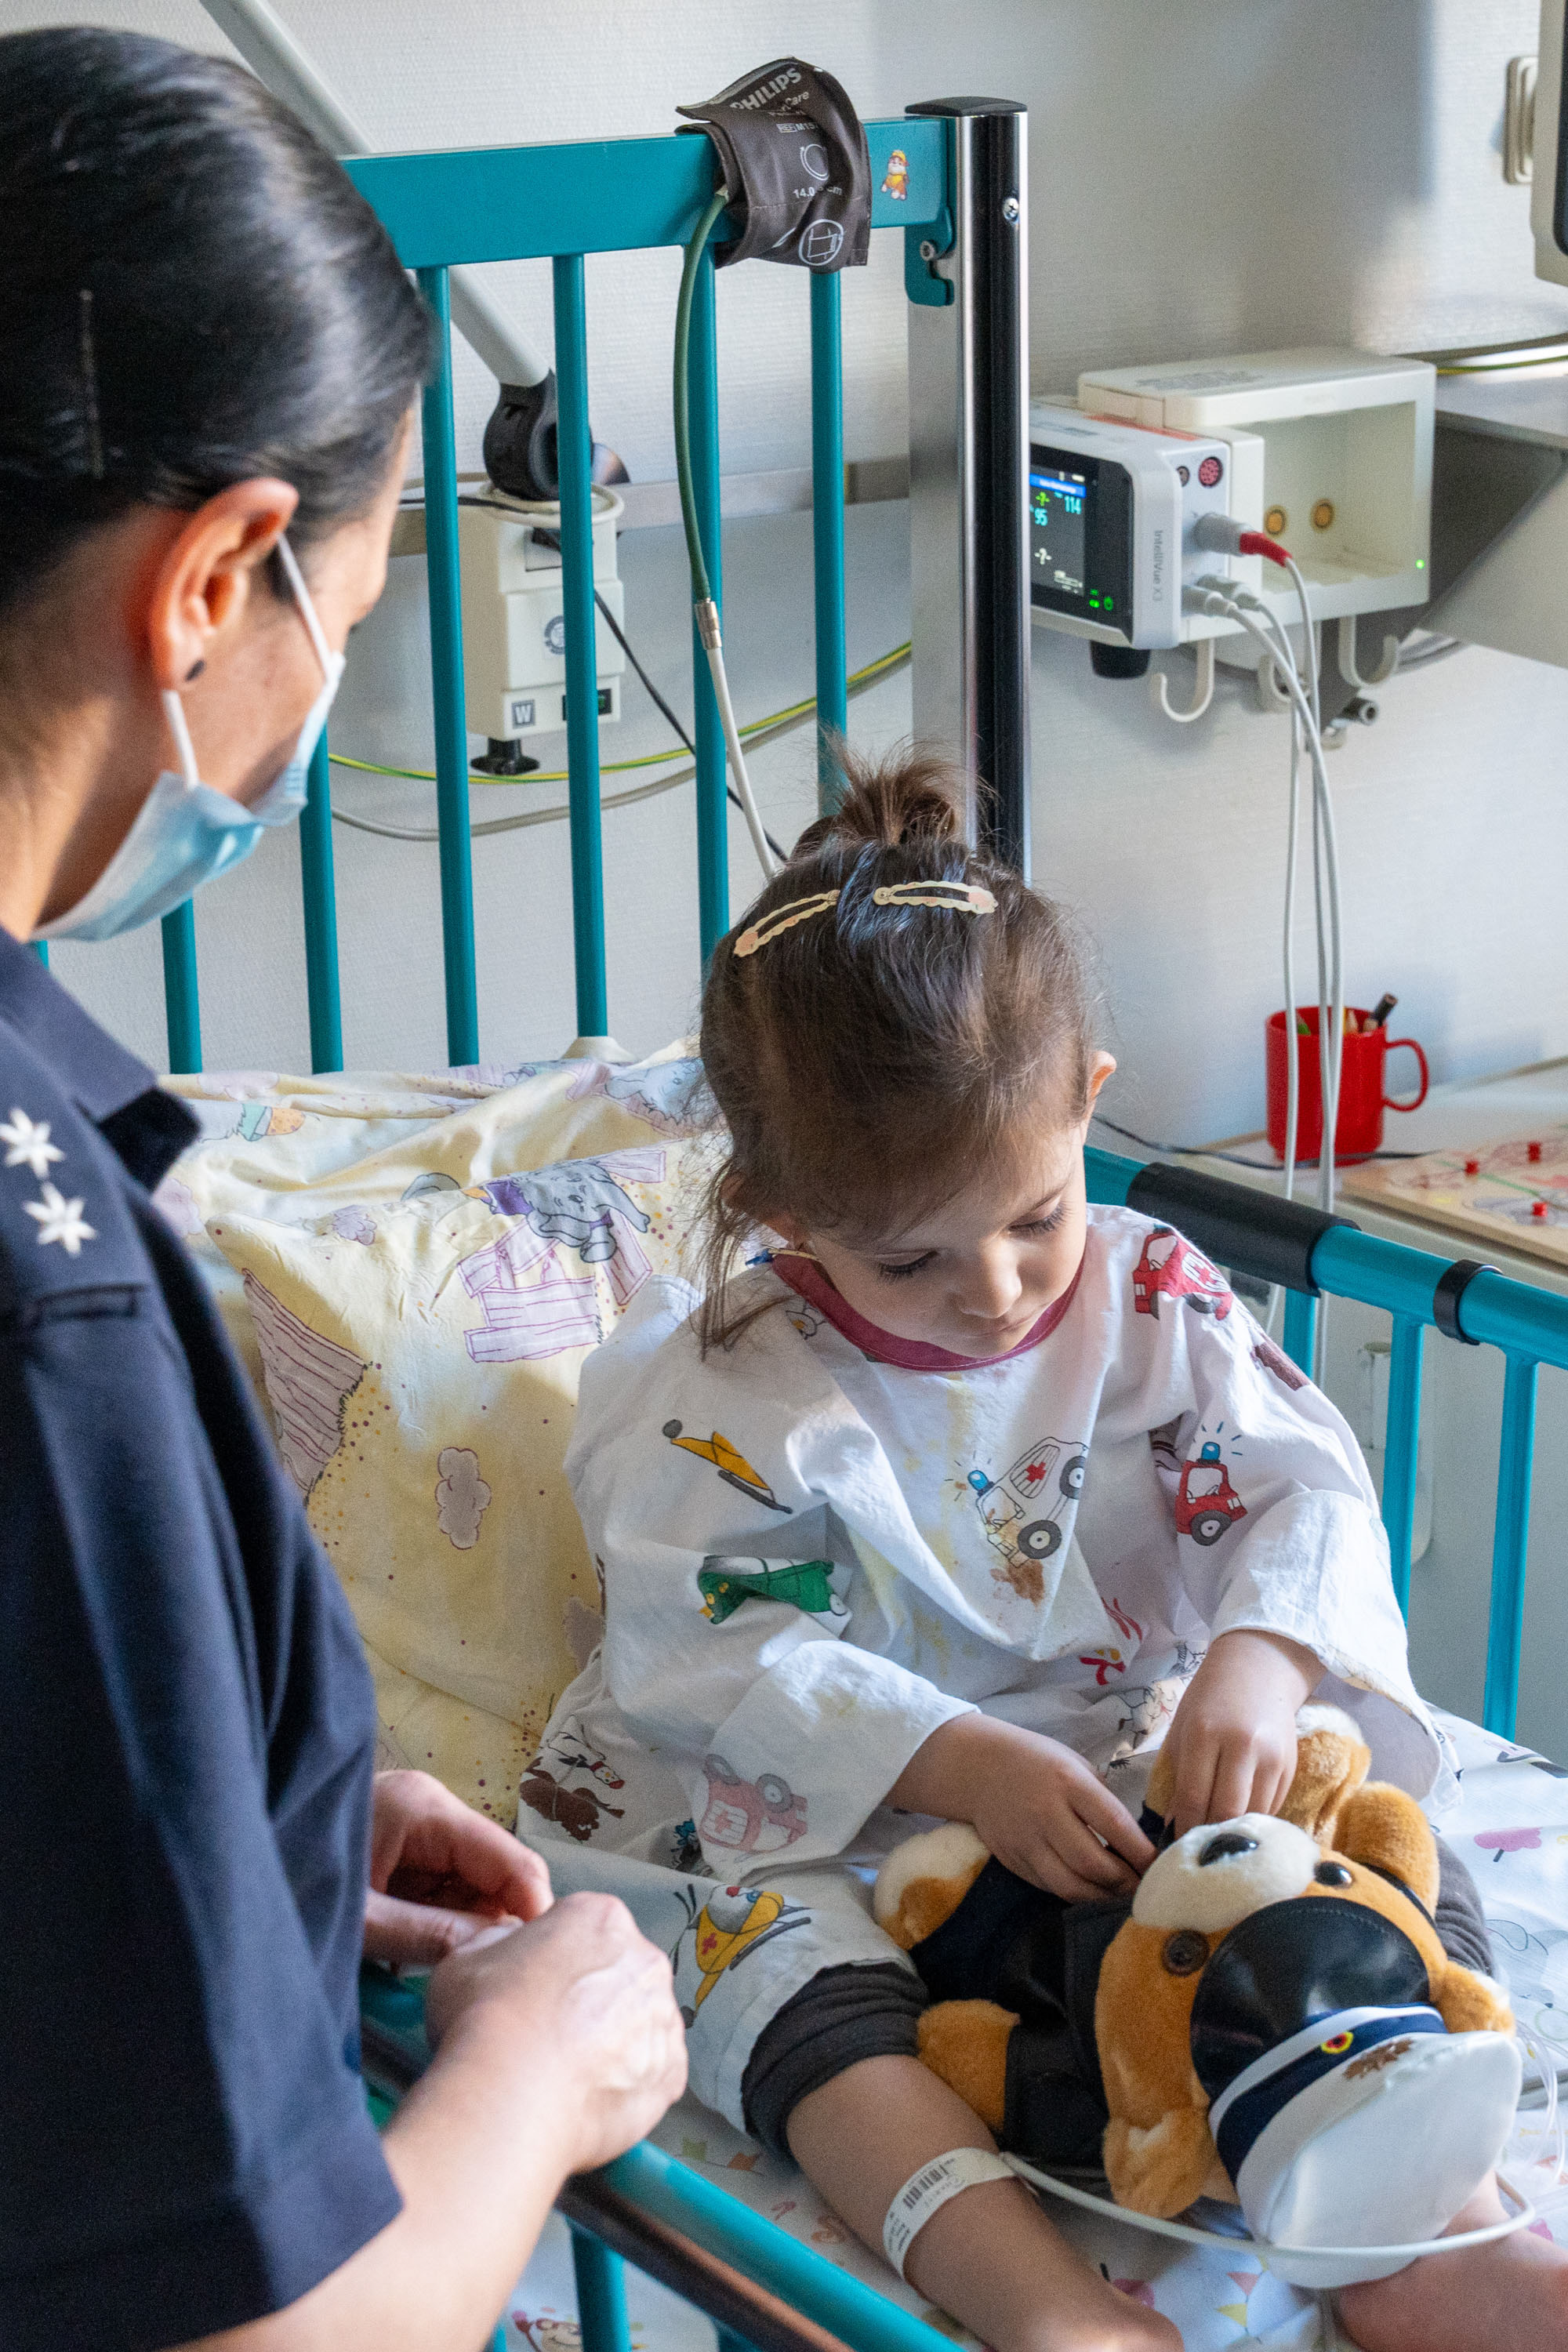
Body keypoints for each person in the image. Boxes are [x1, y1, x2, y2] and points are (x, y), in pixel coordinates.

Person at [521, 753, 1568, 2352]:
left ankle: (1425, 2216)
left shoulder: (1154, 1304)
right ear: (777, 1210)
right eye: (908, 1257)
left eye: (1034, 1214)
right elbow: (712, 1652)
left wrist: (1258, 1661)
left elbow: (1305, 1496)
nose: (998, 1289)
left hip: (1127, 1755)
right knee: (781, 1972)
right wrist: (950, 1762)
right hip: (835, 1818)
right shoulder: (724, 1402)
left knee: (1355, 1837)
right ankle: (1037, 2300)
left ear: (1087, 1096)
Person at [0, 31, 684, 2351]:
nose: (313, 711)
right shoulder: (51, 1293)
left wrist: (250, 1838)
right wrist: (529, 2076)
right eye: (354, 625)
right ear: (215, 580)